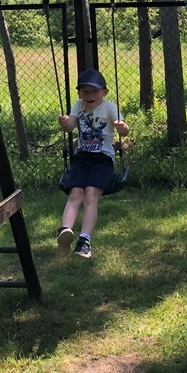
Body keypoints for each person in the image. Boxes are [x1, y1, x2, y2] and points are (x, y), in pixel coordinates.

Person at [57, 69, 129, 259]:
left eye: (94, 91)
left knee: (90, 195)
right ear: (79, 93)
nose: (89, 96)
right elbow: (70, 127)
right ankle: (65, 231)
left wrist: (122, 127)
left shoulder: (109, 107)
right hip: (81, 157)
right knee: (75, 193)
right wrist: (64, 122)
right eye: (85, 91)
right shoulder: (78, 105)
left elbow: (124, 130)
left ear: (104, 92)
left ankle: (84, 241)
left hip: (102, 159)